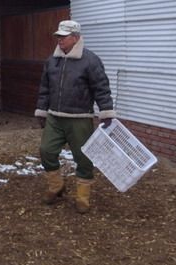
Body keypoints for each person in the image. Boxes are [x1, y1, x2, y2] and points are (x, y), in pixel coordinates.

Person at [35, 20, 116, 213]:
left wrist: (106, 112)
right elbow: (45, 88)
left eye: (64, 36)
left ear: (76, 38)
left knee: (83, 157)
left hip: (80, 118)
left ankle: (82, 197)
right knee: (46, 151)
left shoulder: (90, 60)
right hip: (55, 117)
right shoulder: (52, 60)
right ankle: (56, 186)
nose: (60, 40)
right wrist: (41, 110)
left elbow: (101, 88)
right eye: (58, 36)